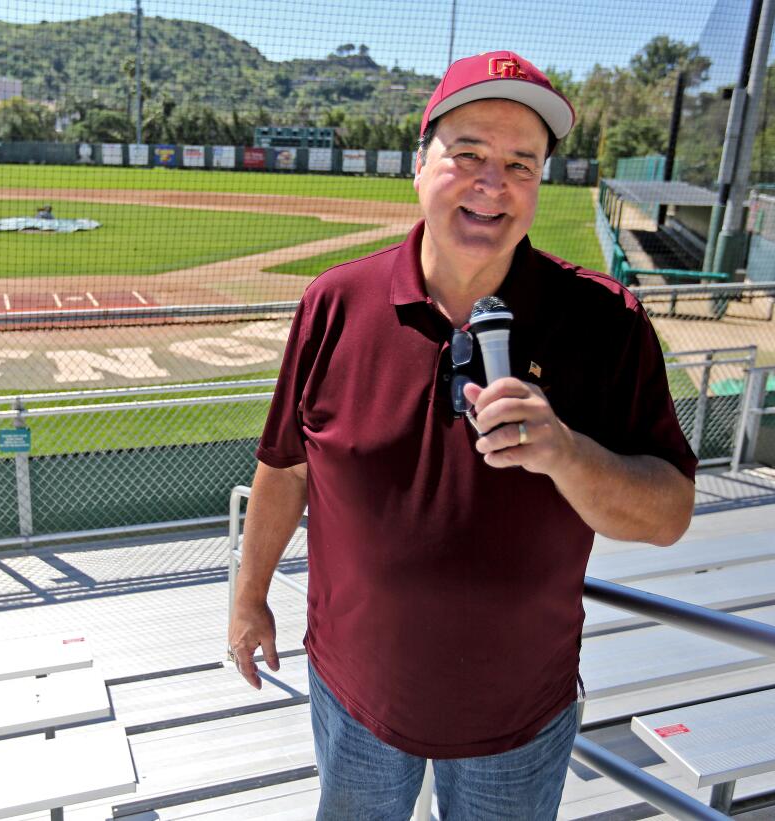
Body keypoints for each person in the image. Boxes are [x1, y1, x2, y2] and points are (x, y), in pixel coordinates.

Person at [227, 50, 697, 820]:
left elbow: (669, 512)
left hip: (519, 719)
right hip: (355, 699)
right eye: (468, 154)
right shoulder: (335, 304)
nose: (492, 183)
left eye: (521, 162)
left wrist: (568, 455)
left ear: (542, 182)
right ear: (419, 166)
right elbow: (284, 465)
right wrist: (247, 598)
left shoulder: (608, 322)